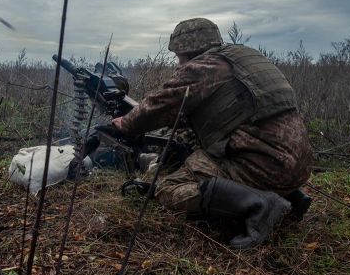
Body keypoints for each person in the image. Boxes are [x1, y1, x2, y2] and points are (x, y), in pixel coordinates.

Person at [111, 18, 314, 248]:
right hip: (297, 165)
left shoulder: (205, 67)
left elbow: (160, 104)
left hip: (264, 166)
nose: (179, 64)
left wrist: (125, 124)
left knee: (168, 188)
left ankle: (261, 205)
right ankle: (289, 195)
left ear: (189, 51)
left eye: (179, 57)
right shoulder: (243, 58)